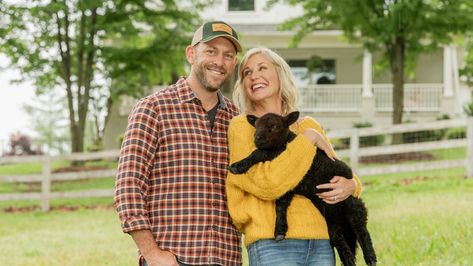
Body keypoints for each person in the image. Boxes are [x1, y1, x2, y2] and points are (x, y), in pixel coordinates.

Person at [114, 21, 243, 266]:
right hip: (173, 258)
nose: (220, 61)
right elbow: (128, 186)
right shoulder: (153, 108)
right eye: (211, 51)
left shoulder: (236, 119)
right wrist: (152, 254)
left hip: (227, 258)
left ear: (233, 63)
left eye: (228, 55)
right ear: (191, 54)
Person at [226, 47, 363, 266]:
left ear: (280, 74)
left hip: (322, 242)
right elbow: (269, 183)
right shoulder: (243, 126)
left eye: (262, 68)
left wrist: (352, 185)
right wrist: (306, 141)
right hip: (272, 243)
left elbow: (339, 171)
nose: (254, 76)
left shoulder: (309, 126)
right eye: (247, 73)